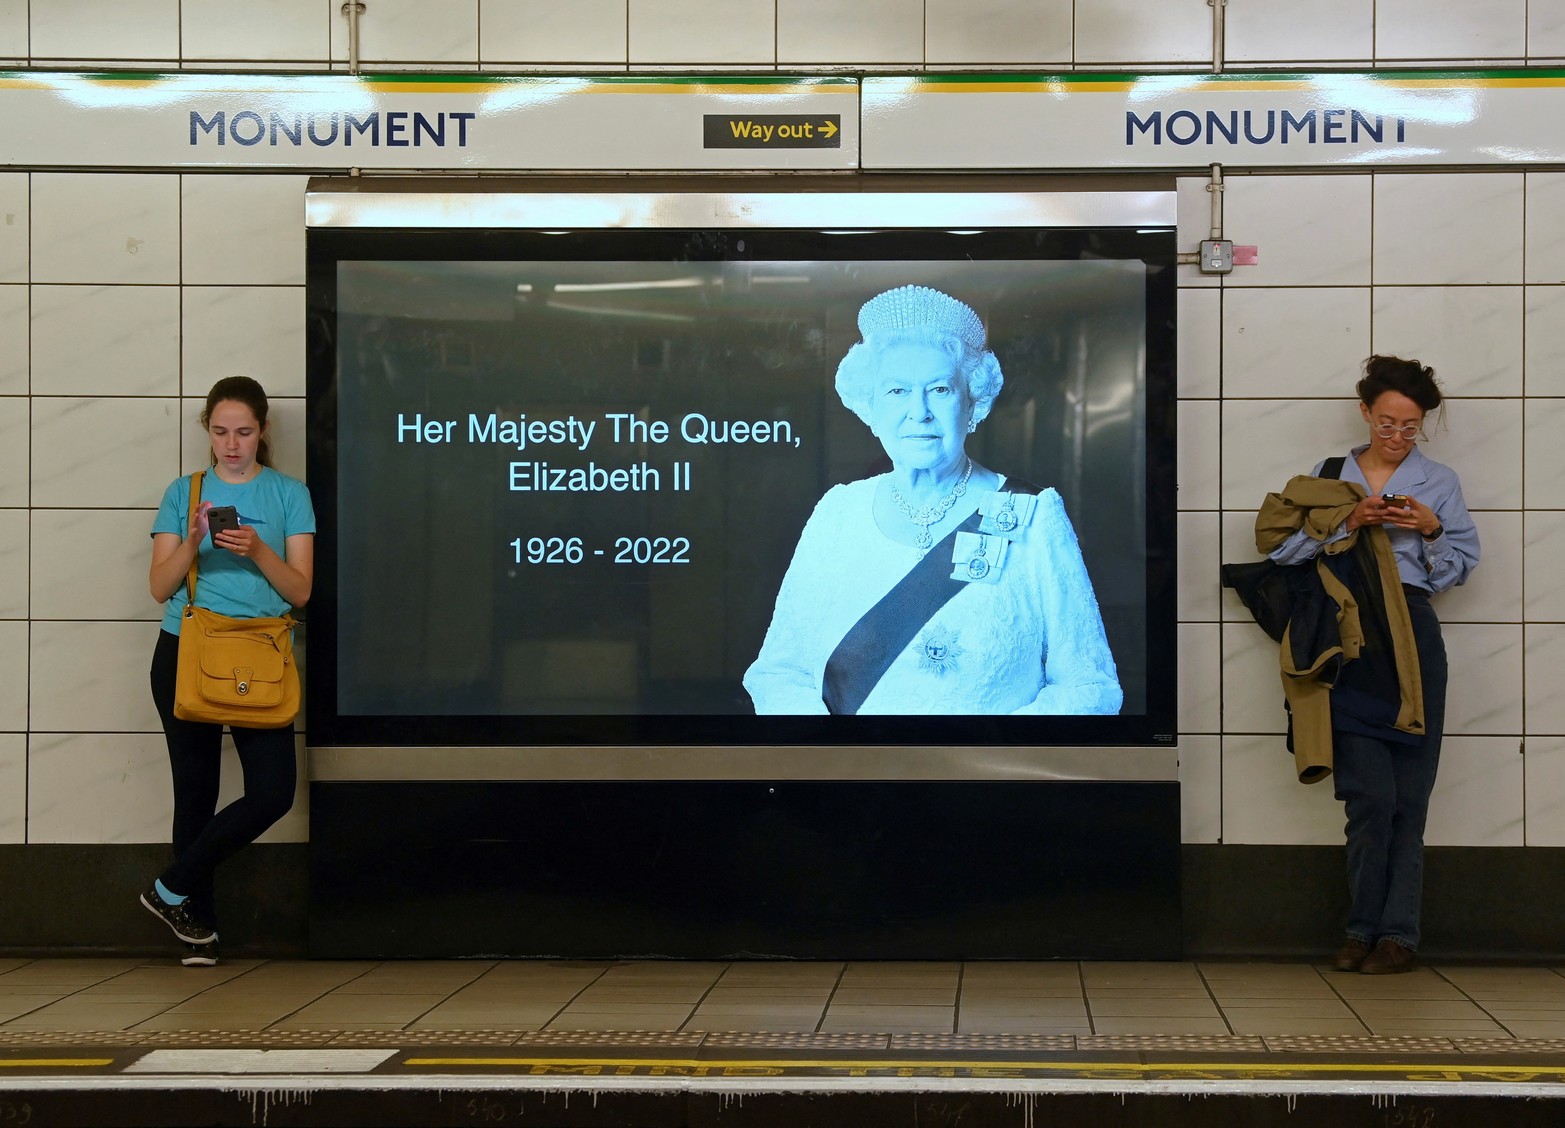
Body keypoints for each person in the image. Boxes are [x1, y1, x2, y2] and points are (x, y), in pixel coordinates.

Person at [743, 284, 1121, 716]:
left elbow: (1090, 685)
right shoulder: (837, 514)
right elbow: (779, 673)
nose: (918, 412)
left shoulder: (1033, 514)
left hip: (992, 778)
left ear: (972, 403)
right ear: (871, 409)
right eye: (897, 391)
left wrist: (990, 759)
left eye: (940, 390)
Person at [1265, 356, 1479, 974]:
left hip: (1412, 635)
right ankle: (1360, 929)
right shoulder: (1329, 475)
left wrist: (1433, 529)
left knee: (1411, 798)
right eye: (1388, 422)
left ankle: (1398, 938)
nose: (1397, 435)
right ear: (1365, 412)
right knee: (1369, 798)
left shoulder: (1438, 481)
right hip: (1347, 638)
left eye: (1410, 427)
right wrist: (1350, 521)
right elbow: (1284, 551)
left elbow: (1460, 567)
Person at [142, 377, 316, 965]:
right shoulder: (184, 492)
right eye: (220, 432)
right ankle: (199, 927)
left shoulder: (291, 494)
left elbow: (301, 591)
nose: (232, 444)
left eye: (243, 432)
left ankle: (169, 887)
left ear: (263, 431)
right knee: (195, 792)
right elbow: (160, 586)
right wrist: (193, 542)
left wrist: (257, 550)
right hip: (187, 651)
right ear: (207, 431)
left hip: (259, 655)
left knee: (271, 791)